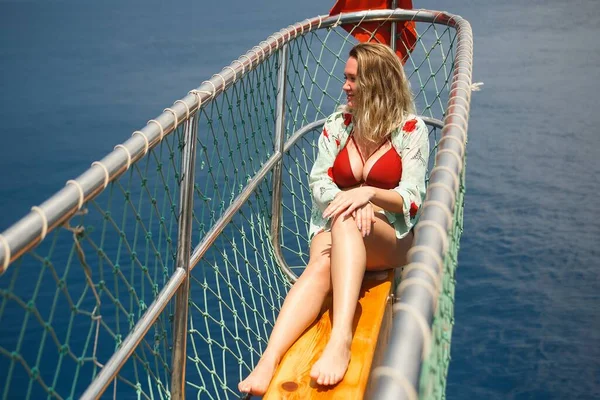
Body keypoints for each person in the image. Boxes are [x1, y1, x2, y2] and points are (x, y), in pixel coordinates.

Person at [238, 42, 429, 395]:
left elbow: (412, 200)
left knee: (343, 222)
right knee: (320, 265)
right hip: (334, 229)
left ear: (377, 83)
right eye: (345, 78)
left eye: (353, 79)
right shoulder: (338, 125)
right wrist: (349, 202)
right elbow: (319, 181)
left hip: (389, 238)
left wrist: (368, 196)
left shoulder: (411, 130)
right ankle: (268, 359)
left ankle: (340, 340)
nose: (345, 86)